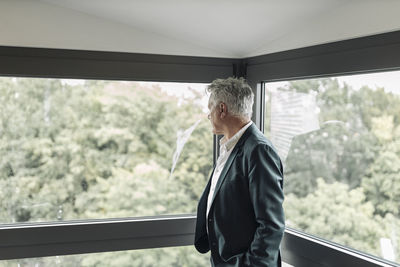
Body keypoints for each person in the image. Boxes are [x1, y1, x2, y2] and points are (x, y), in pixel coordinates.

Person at [194, 77, 285, 267]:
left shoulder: (259, 151)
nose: (208, 115)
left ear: (222, 109)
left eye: (210, 108)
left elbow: (271, 225)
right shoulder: (229, 148)